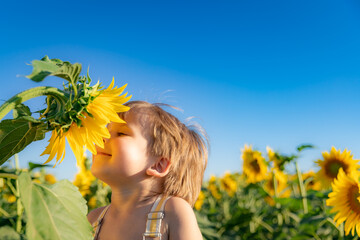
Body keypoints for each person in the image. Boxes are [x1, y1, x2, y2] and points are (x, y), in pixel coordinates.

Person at [87, 101, 208, 240]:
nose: (102, 136)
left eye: (121, 133)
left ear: (158, 165)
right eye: (105, 130)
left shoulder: (173, 211)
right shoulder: (93, 219)